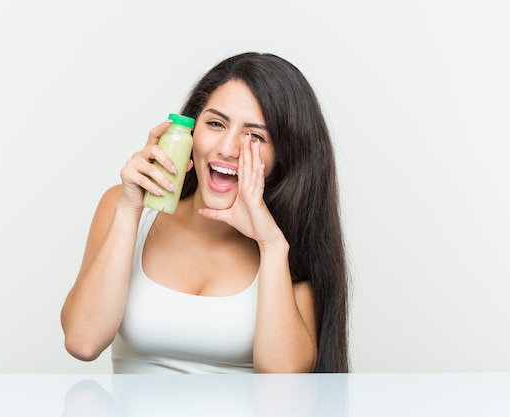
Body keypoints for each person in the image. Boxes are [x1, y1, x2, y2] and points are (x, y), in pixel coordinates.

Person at [61, 52, 349, 373]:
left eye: (254, 135)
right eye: (215, 123)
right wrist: (130, 210)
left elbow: (284, 380)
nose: (227, 147)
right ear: (190, 133)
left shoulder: (287, 238)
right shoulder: (125, 206)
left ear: (284, 156)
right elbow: (82, 341)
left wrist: (271, 246)